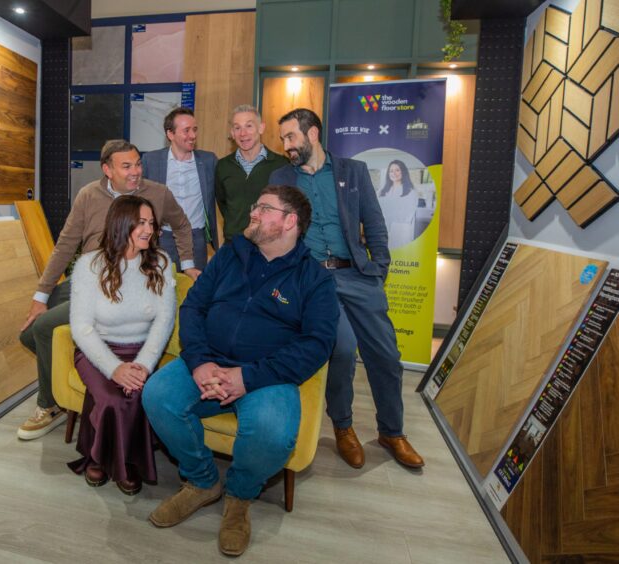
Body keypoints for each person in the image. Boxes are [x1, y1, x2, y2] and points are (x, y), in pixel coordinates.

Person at [142, 185, 338, 557]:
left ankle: (240, 497)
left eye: (264, 209)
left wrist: (246, 378)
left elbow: (317, 344)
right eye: (255, 206)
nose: (253, 214)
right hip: (208, 361)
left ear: (289, 222)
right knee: (157, 396)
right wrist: (199, 362)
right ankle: (202, 482)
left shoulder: (315, 279)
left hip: (266, 375)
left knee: (272, 432)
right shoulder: (230, 254)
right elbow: (194, 308)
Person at [269, 108, 424, 470]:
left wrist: (378, 270)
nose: (287, 145)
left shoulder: (352, 172)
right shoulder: (280, 177)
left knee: (386, 355)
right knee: (341, 350)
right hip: (314, 280)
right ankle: (343, 428)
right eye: (283, 139)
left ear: (313, 134)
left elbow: (374, 221)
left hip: (357, 274)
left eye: (291, 137)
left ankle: (392, 431)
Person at [17, 140, 199, 441]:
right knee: (29, 332)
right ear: (107, 169)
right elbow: (66, 244)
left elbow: (181, 224)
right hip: (86, 279)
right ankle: (79, 363)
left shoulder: (157, 193)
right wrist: (41, 295)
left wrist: (188, 263)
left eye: (137, 164)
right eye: (126, 166)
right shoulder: (89, 195)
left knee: (47, 326)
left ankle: (49, 405)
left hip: (120, 285)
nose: (135, 172)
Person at [66, 195, 176, 495]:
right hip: (97, 351)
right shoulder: (89, 265)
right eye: (140, 222)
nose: (148, 229)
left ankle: (119, 460)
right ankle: (107, 459)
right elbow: (81, 328)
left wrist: (142, 365)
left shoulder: (161, 264)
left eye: (151, 223)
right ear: (121, 223)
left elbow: (165, 321)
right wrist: (114, 368)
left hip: (143, 352)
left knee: (137, 394)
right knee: (114, 399)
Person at [142, 107, 218, 271]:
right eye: (186, 131)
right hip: (163, 238)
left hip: (195, 238)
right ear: (170, 134)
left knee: (195, 289)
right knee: (162, 287)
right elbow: (139, 197)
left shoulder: (208, 161)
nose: (193, 135)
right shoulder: (151, 161)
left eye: (195, 129)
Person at [215, 104, 289, 244]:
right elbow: (223, 204)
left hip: (269, 245)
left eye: (249, 126)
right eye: (237, 128)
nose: (243, 133)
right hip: (233, 245)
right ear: (232, 132)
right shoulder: (222, 166)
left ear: (261, 128)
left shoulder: (282, 165)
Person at [377, 159, 419, 249]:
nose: (394, 173)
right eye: (391, 171)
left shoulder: (411, 192)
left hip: (400, 232)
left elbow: (406, 215)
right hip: (382, 231)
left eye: (397, 170)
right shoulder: (382, 191)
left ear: (403, 171)